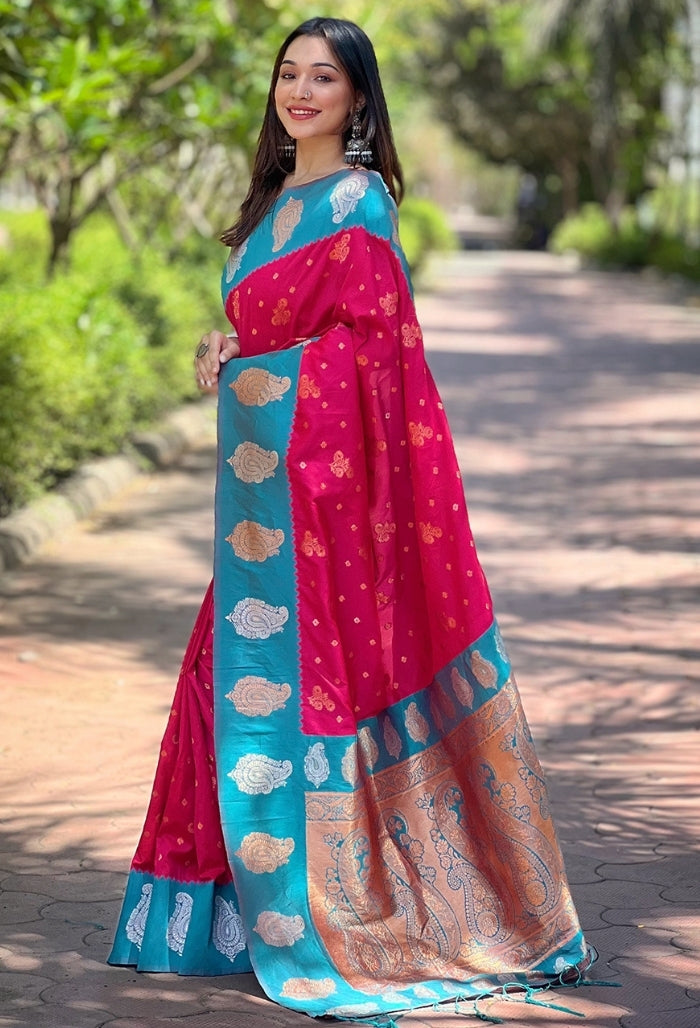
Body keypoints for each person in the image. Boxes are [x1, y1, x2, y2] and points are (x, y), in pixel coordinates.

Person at [108, 16, 596, 1022]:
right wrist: (220, 355)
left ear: (356, 99)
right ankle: (213, 917)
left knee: (274, 686)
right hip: (264, 509)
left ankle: (334, 913)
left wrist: (257, 376)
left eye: (321, 77)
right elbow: (267, 334)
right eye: (288, 73)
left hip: (325, 506)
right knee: (218, 681)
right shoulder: (271, 204)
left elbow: (372, 359)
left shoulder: (357, 202)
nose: (299, 91)